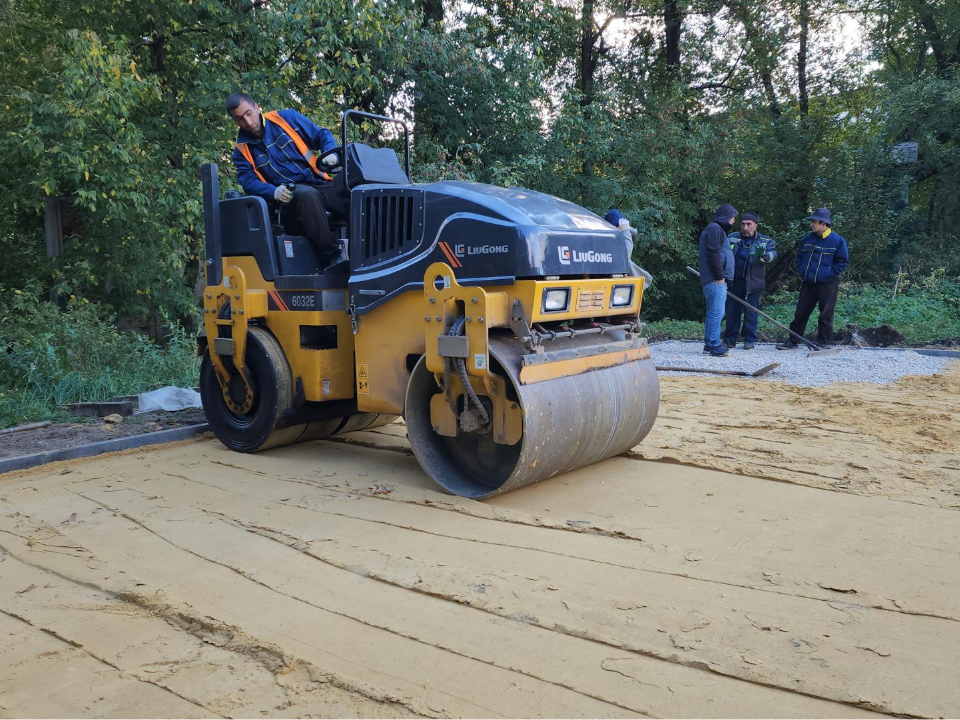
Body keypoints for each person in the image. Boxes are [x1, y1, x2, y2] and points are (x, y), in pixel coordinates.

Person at [226, 93, 346, 268]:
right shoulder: (241, 152)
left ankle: (371, 253)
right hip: (288, 197)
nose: (248, 122)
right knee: (308, 196)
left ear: (257, 107)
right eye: (240, 119)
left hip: (318, 181)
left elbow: (321, 134)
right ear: (235, 121)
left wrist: (331, 152)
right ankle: (333, 257)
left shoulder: (285, 119)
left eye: (248, 113)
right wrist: (273, 192)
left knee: (354, 191)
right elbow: (248, 181)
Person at [776, 208, 849, 349]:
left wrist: (829, 273)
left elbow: (843, 262)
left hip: (828, 283)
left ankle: (825, 342)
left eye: (814, 222)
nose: (811, 225)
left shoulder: (837, 241)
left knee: (826, 314)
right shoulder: (807, 239)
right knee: (801, 312)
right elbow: (800, 257)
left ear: (823, 223)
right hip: (808, 282)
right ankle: (793, 340)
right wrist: (802, 271)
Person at [723, 212, 777, 350]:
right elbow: (722, 254)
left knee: (751, 312)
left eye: (749, 224)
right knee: (732, 311)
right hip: (733, 281)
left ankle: (749, 339)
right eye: (743, 224)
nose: (745, 227)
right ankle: (730, 339)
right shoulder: (732, 238)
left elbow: (773, 254)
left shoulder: (764, 241)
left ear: (755, 226)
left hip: (753, 283)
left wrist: (765, 256)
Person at [698, 204, 737, 356]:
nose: (733, 222)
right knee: (717, 312)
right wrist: (719, 276)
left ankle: (710, 343)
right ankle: (714, 344)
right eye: (732, 218)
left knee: (714, 312)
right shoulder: (715, 229)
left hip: (715, 279)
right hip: (715, 280)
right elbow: (713, 253)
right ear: (727, 218)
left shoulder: (715, 229)